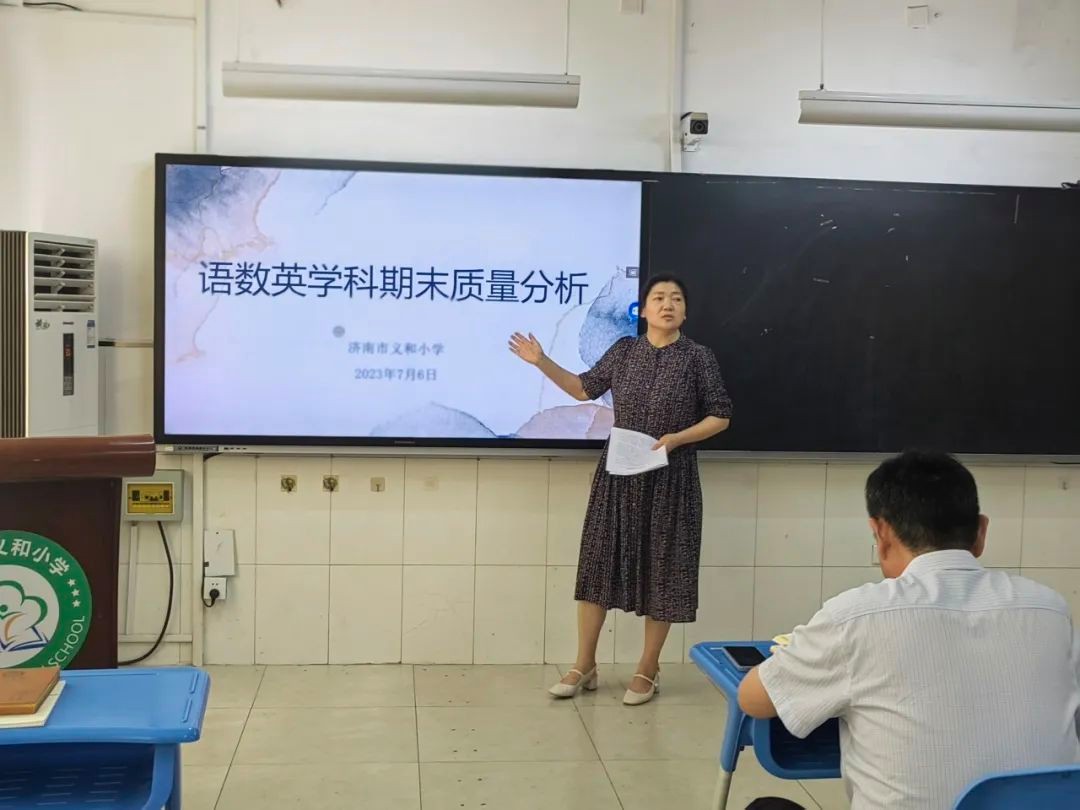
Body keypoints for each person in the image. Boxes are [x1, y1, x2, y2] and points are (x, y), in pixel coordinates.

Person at [737, 450, 1080, 809]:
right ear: (981, 532)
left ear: (881, 533)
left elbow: (754, 699)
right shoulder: (1050, 610)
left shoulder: (855, 617)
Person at [509, 275, 732, 705]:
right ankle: (584, 664)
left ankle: (648, 668)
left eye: (676, 299)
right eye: (658, 298)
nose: (667, 304)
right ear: (643, 310)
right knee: (597, 565)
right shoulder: (625, 351)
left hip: (671, 478)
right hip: (619, 475)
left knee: (664, 570)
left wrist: (678, 438)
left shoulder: (698, 357)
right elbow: (582, 388)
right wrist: (541, 361)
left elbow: (720, 416)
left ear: (685, 311)